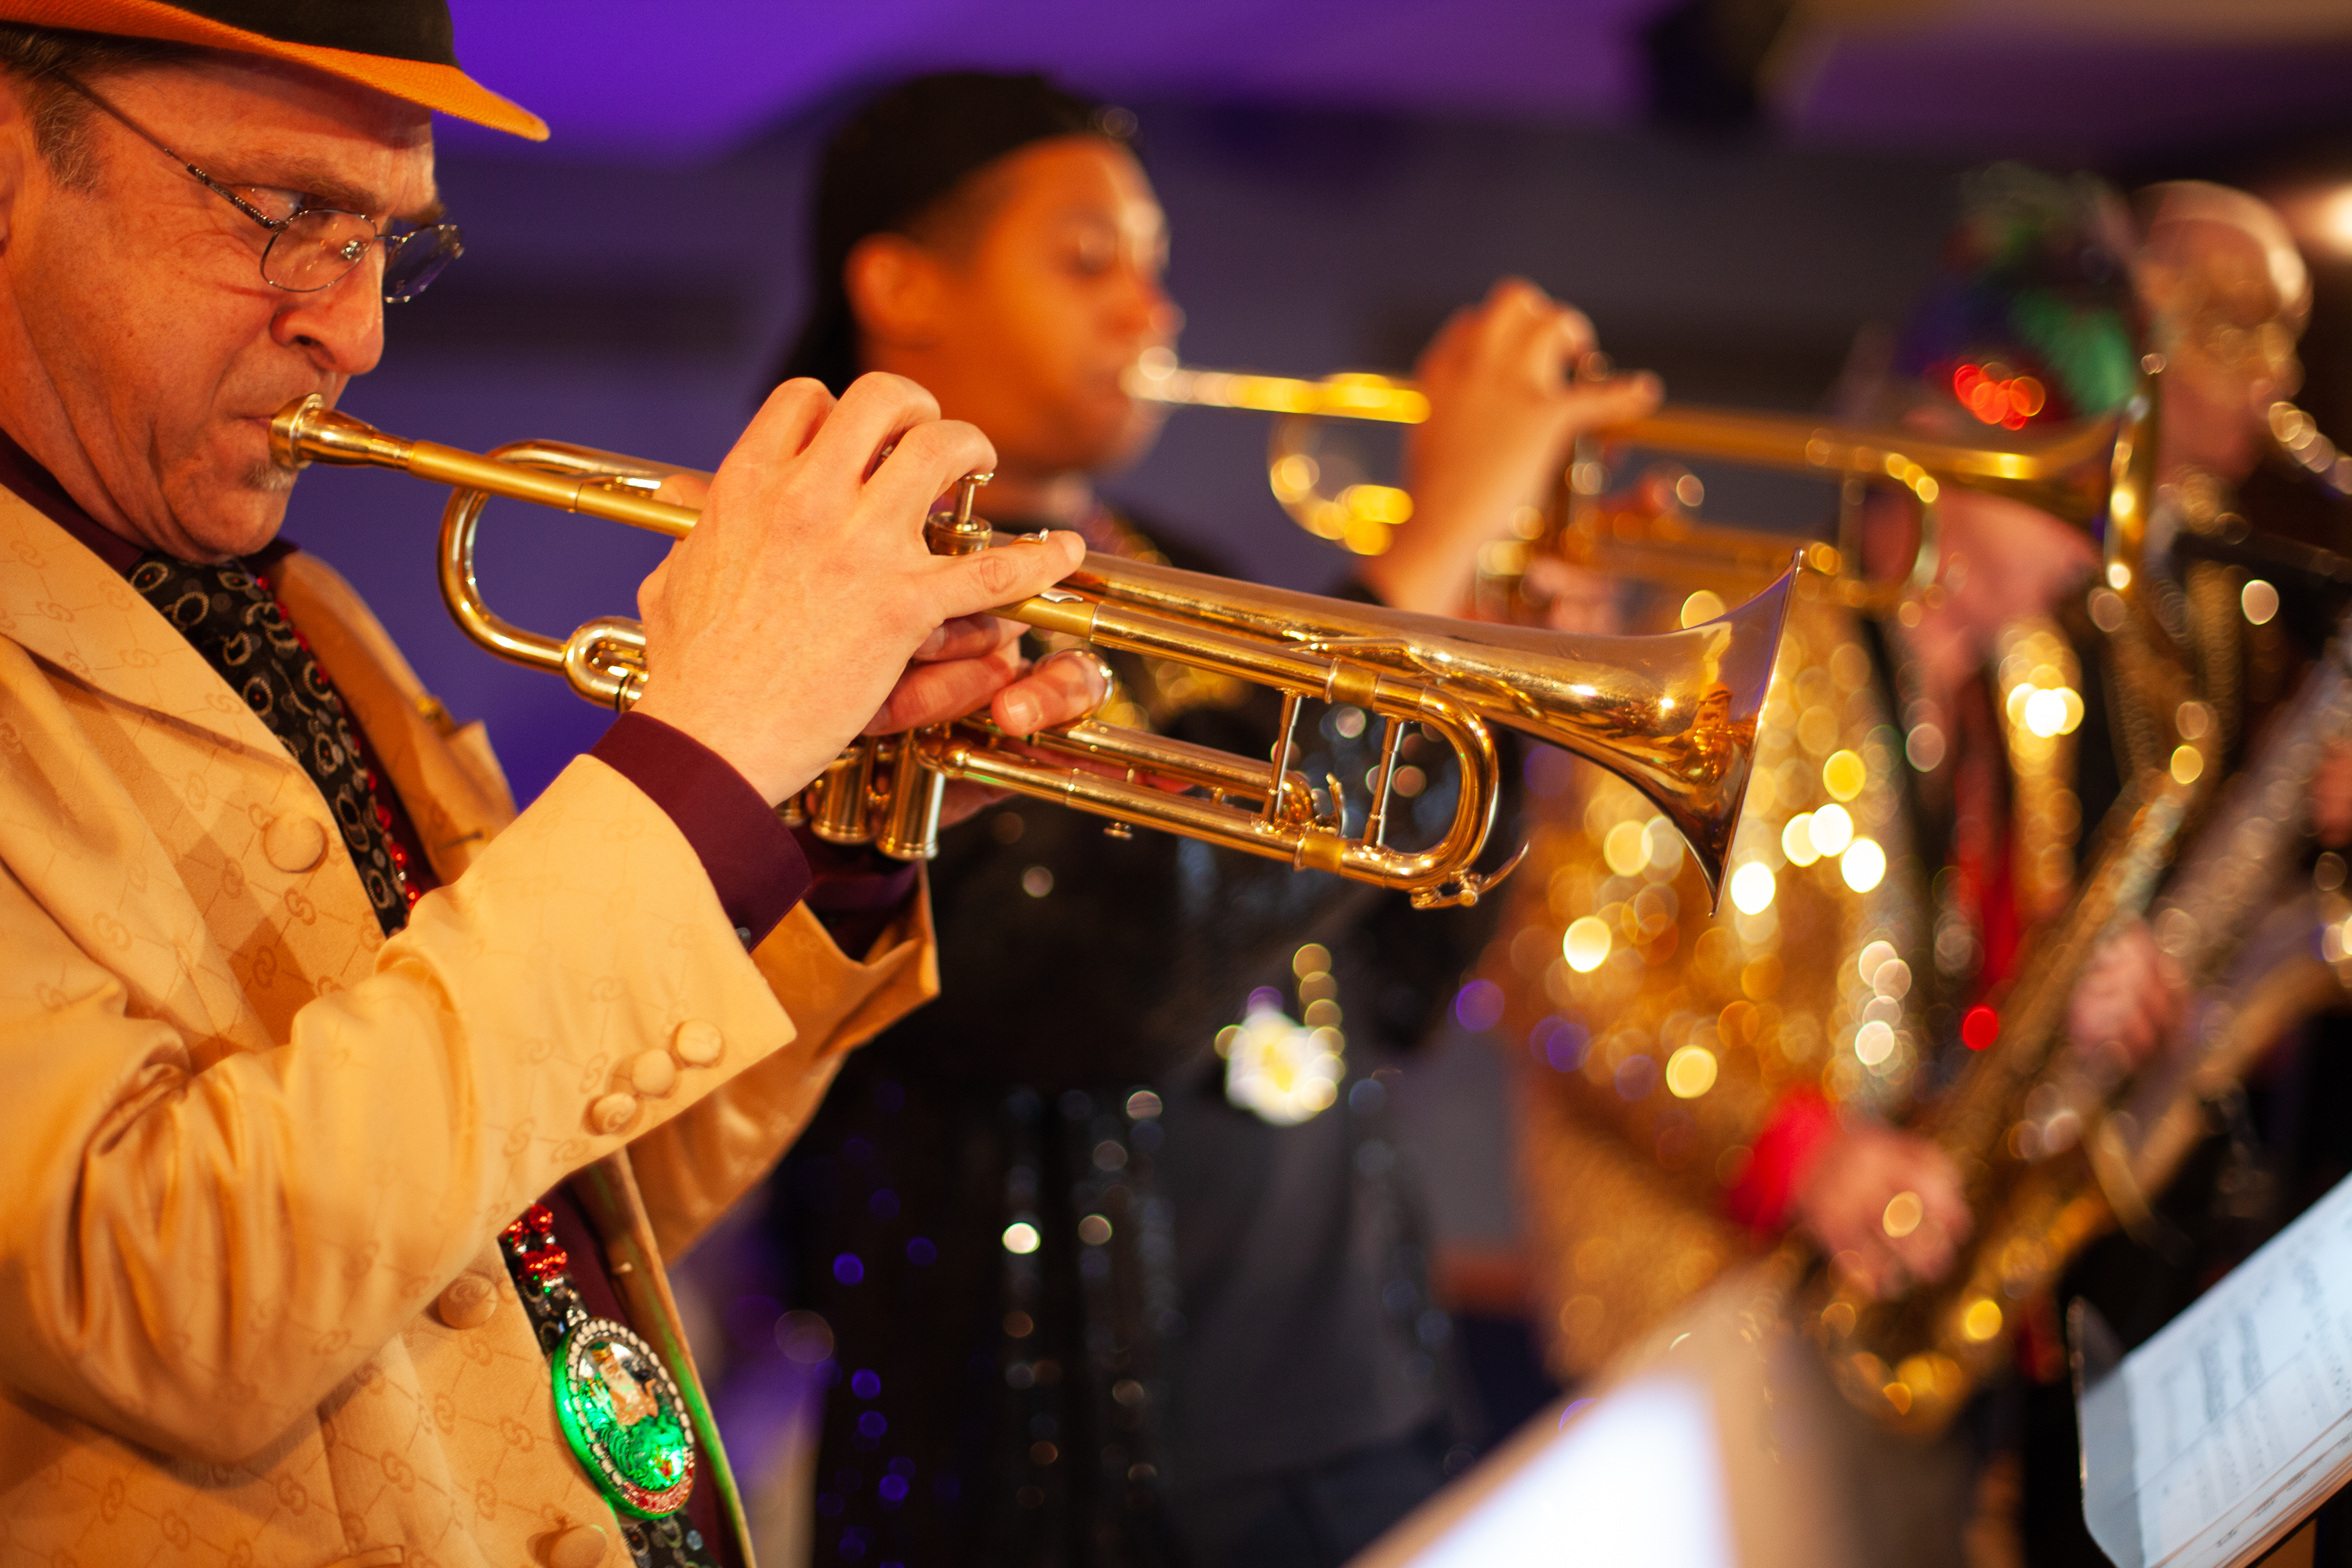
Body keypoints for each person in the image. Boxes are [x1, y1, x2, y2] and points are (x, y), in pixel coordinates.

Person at [0, 8, 1105, 1566]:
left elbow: (543, 1189)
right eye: (287, 213)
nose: (360, 328)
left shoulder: (308, 616)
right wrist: (694, 761)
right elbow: (167, 1299)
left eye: (388, 237)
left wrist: (812, 840)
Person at [744, 71, 1657, 1566]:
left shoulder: (1184, 571)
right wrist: (1426, 558)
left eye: (1155, 265)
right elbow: (1088, 986)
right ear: (899, 284)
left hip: (1361, 1428)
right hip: (1060, 1501)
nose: (1152, 311)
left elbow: (1399, 987)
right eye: (1088, 260)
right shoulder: (820, 615)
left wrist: (1499, 682)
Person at [1489, 165, 2198, 1567]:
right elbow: (1562, 962)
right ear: (1937, 446)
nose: (2085, 549)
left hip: (1906, 1319)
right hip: (1697, 1321)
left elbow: (1983, 973)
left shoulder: (2041, 680)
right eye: (2058, 489)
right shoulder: (1732, 638)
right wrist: (1800, 1158)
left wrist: (2080, 1008)